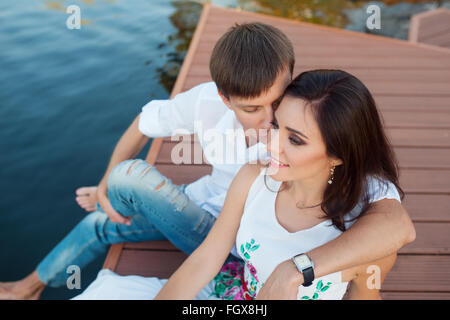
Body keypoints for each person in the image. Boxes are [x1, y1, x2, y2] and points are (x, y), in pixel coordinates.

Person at [0, 23, 415, 300]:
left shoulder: (322, 136)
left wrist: (296, 268)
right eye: (256, 110)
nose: (270, 125)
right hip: (214, 220)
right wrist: (108, 180)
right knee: (108, 212)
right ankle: (28, 287)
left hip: (235, 242)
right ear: (224, 98)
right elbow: (145, 122)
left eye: (280, 103)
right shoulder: (231, 138)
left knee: (125, 187)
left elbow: (395, 228)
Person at [73, 69, 404, 300]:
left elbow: (395, 235)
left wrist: (294, 270)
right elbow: (206, 260)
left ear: (338, 155)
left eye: (296, 140)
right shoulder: (254, 176)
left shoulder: (364, 224)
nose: (271, 144)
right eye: (276, 126)